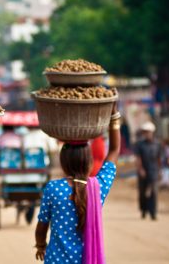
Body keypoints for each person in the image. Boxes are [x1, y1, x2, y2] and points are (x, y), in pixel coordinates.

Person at [34, 103, 121, 263]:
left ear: (63, 162)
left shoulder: (53, 188)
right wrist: (114, 115)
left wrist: (40, 246)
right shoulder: (98, 187)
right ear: (89, 162)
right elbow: (114, 150)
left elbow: (42, 227)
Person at [134, 122, 162, 220]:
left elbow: (159, 158)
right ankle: (144, 210)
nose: (146, 134)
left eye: (148, 132)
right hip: (143, 171)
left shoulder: (157, 144)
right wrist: (140, 169)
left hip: (153, 171)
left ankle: (153, 212)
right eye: (145, 132)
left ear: (152, 132)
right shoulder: (139, 144)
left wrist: (160, 171)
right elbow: (138, 158)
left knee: (154, 192)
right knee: (142, 193)